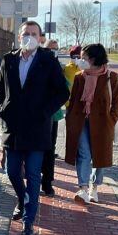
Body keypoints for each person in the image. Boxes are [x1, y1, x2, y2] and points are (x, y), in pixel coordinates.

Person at [0, 21, 69, 235]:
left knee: (34, 174)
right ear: (19, 37)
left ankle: (29, 220)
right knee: (12, 171)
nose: (30, 37)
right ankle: (22, 199)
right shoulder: (8, 60)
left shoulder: (48, 61)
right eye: (26, 33)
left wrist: (45, 112)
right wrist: (0, 108)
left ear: (40, 37)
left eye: (34, 34)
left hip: (37, 128)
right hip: (13, 127)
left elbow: (62, 92)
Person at [63, 44, 118, 204]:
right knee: (84, 154)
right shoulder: (79, 77)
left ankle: (94, 188)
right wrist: (69, 118)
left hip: (103, 123)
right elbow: (73, 100)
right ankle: (82, 188)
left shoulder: (111, 77)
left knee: (99, 155)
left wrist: (112, 119)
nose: (81, 60)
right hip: (80, 121)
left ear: (94, 59)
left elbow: (117, 101)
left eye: (84, 57)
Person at [40, 39, 65, 196]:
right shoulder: (40, 64)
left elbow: (63, 90)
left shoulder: (61, 67)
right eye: (50, 49)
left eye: (56, 49)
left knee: (50, 148)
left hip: (52, 114)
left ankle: (47, 181)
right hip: (37, 114)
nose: (53, 51)